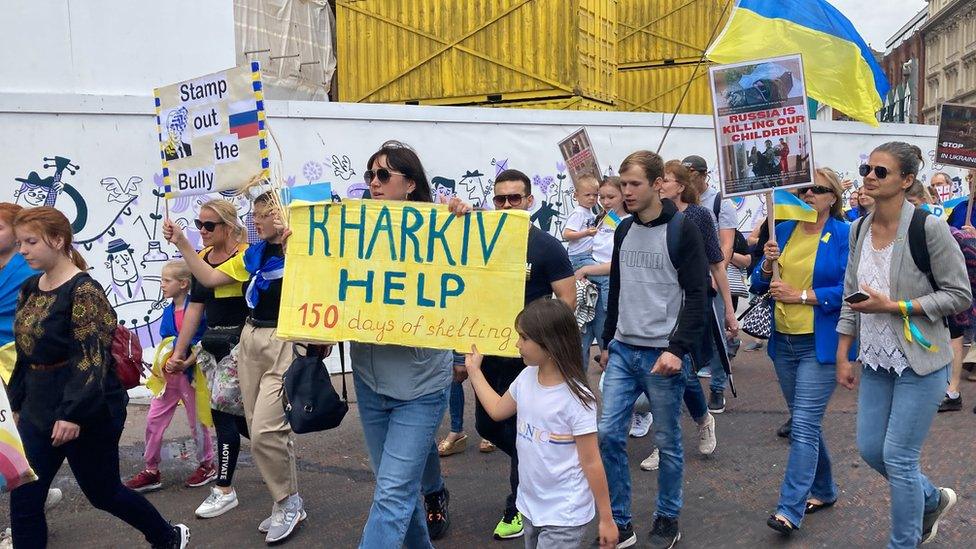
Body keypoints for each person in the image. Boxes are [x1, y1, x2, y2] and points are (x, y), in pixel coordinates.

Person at [9, 207, 189, 548]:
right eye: (20, 242)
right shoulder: (31, 287)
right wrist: (17, 402)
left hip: (86, 409)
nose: (23, 250)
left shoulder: (83, 291)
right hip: (38, 407)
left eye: (30, 242)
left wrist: (72, 413)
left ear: (58, 240)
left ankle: (166, 536)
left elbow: (90, 357)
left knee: (103, 492)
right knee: (25, 500)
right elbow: (25, 350)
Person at [836, 142, 971, 548]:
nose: (870, 178)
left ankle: (905, 541)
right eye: (866, 170)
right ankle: (930, 499)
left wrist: (896, 306)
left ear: (907, 180)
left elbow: (959, 294)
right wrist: (845, 352)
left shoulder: (927, 228)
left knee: (898, 457)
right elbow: (850, 293)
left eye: (881, 171)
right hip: (876, 360)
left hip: (923, 361)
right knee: (871, 449)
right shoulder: (859, 227)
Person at [164, 190, 305, 544]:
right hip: (251, 339)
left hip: (282, 340)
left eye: (264, 214)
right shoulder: (255, 254)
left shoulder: (302, 247)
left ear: (283, 215)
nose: (256, 221)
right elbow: (208, 281)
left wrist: (299, 251)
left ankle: (287, 502)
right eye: (254, 215)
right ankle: (286, 501)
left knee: (263, 432)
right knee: (262, 429)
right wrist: (182, 242)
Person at [340, 141, 455, 547]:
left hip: (420, 388)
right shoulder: (351, 228)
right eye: (370, 174)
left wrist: (465, 223)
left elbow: (472, 272)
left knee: (391, 494)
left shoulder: (441, 227)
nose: (374, 181)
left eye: (383, 174)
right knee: (397, 492)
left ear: (410, 184)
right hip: (370, 385)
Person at [598, 150, 707, 548]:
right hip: (624, 350)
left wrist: (677, 349)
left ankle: (667, 516)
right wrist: (608, 340)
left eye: (634, 184)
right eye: (622, 184)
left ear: (658, 184)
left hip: (662, 355)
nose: (626, 192)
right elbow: (618, 287)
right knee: (608, 433)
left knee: (668, 442)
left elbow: (698, 294)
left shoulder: (682, 230)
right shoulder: (622, 230)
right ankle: (621, 520)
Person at [467, 168, 576, 541]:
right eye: (500, 199)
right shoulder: (481, 240)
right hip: (489, 353)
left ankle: (517, 504)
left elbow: (568, 300)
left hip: (527, 358)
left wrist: (547, 350)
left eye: (515, 198)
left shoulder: (547, 246)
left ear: (530, 201)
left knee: (518, 431)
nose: (508, 204)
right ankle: (531, 472)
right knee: (487, 424)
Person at [464, 299, 617, 549]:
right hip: (530, 505)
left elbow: (591, 461)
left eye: (524, 338)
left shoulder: (577, 399)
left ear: (550, 344)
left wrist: (607, 518)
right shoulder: (526, 377)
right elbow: (496, 409)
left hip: (564, 514)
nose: (517, 344)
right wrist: (474, 371)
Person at [751, 168, 852, 535]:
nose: (809, 194)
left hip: (819, 343)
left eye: (818, 189)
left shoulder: (844, 234)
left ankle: (789, 509)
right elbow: (758, 284)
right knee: (805, 421)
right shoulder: (783, 229)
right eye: (804, 188)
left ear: (833, 197)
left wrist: (803, 296)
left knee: (804, 427)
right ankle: (824, 489)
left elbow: (850, 290)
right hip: (784, 341)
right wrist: (765, 263)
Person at [165, 200, 251, 519]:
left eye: (209, 226)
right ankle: (275, 448)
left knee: (223, 414)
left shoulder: (245, 256)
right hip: (212, 347)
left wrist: (182, 243)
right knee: (240, 418)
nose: (202, 231)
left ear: (229, 226)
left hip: (242, 345)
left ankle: (224, 488)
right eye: (199, 225)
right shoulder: (201, 257)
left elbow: (213, 279)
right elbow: (195, 309)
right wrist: (179, 352)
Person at [125, 260, 213, 493]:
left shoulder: (198, 310)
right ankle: (151, 470)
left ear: (183, 284)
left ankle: (207, 464)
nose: (162, 285)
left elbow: (202, 342)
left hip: (192, 376)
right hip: (169, 377)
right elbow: (166, 343)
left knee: (198, 422)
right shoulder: (167, 311)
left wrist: (186, 361)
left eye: (166, 281)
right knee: (154, 420)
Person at [907, 182, 976, 412]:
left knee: (956, 333)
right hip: (928, 279)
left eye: (913, 204)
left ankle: (952, 389)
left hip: (960, 277)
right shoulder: (960, 208)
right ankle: (938, 387)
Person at [682, 155, 737, 413]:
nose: (686, 177)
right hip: (684, 279)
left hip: (710, 276)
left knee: (715, 335)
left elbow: (726, 243)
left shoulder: (718, 201)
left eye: (690, 172)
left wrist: (718, 276)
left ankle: (717, 387)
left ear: (702, 174)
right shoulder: (677, 201)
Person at [563, 174, 600, 271]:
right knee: (605, 278)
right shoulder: (579, 213)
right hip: (579, 256)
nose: (592, 198)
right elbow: (566, 234)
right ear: (576, 195)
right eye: (587, 195)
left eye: (595, 195)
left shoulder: (588, 212)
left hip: (588, 254)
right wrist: (586, 233)